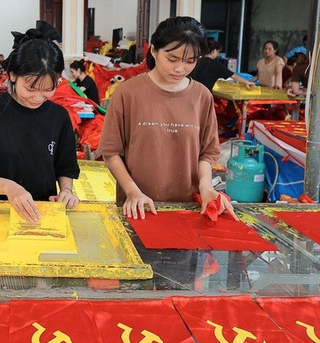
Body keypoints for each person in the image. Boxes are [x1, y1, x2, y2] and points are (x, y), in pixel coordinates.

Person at [95, 16, 237, 220]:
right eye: (172, 59)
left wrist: (206, 187)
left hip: (187, 210)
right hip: (137, 208)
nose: (180, 69)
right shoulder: (127, 93)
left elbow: (207, 153)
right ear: (153, 50)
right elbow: (111, 152)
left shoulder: (201, 96)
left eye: (190, 61)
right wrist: (132, 191)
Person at [0, 26, 80, 223]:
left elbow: (65, 167)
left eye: (48, 89)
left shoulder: (59, 117)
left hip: (39, 216)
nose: (38, 97)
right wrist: (8, 187)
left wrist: (66, 191)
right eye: (30, 88)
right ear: (13, 75)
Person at [189, 39, 253, 92]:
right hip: (204, 95)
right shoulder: (216, 65)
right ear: (214, 51)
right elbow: (234, 76)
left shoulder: (195, 61)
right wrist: (247, 82)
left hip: (189, 92)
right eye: (218, 52)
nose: (217, 54)